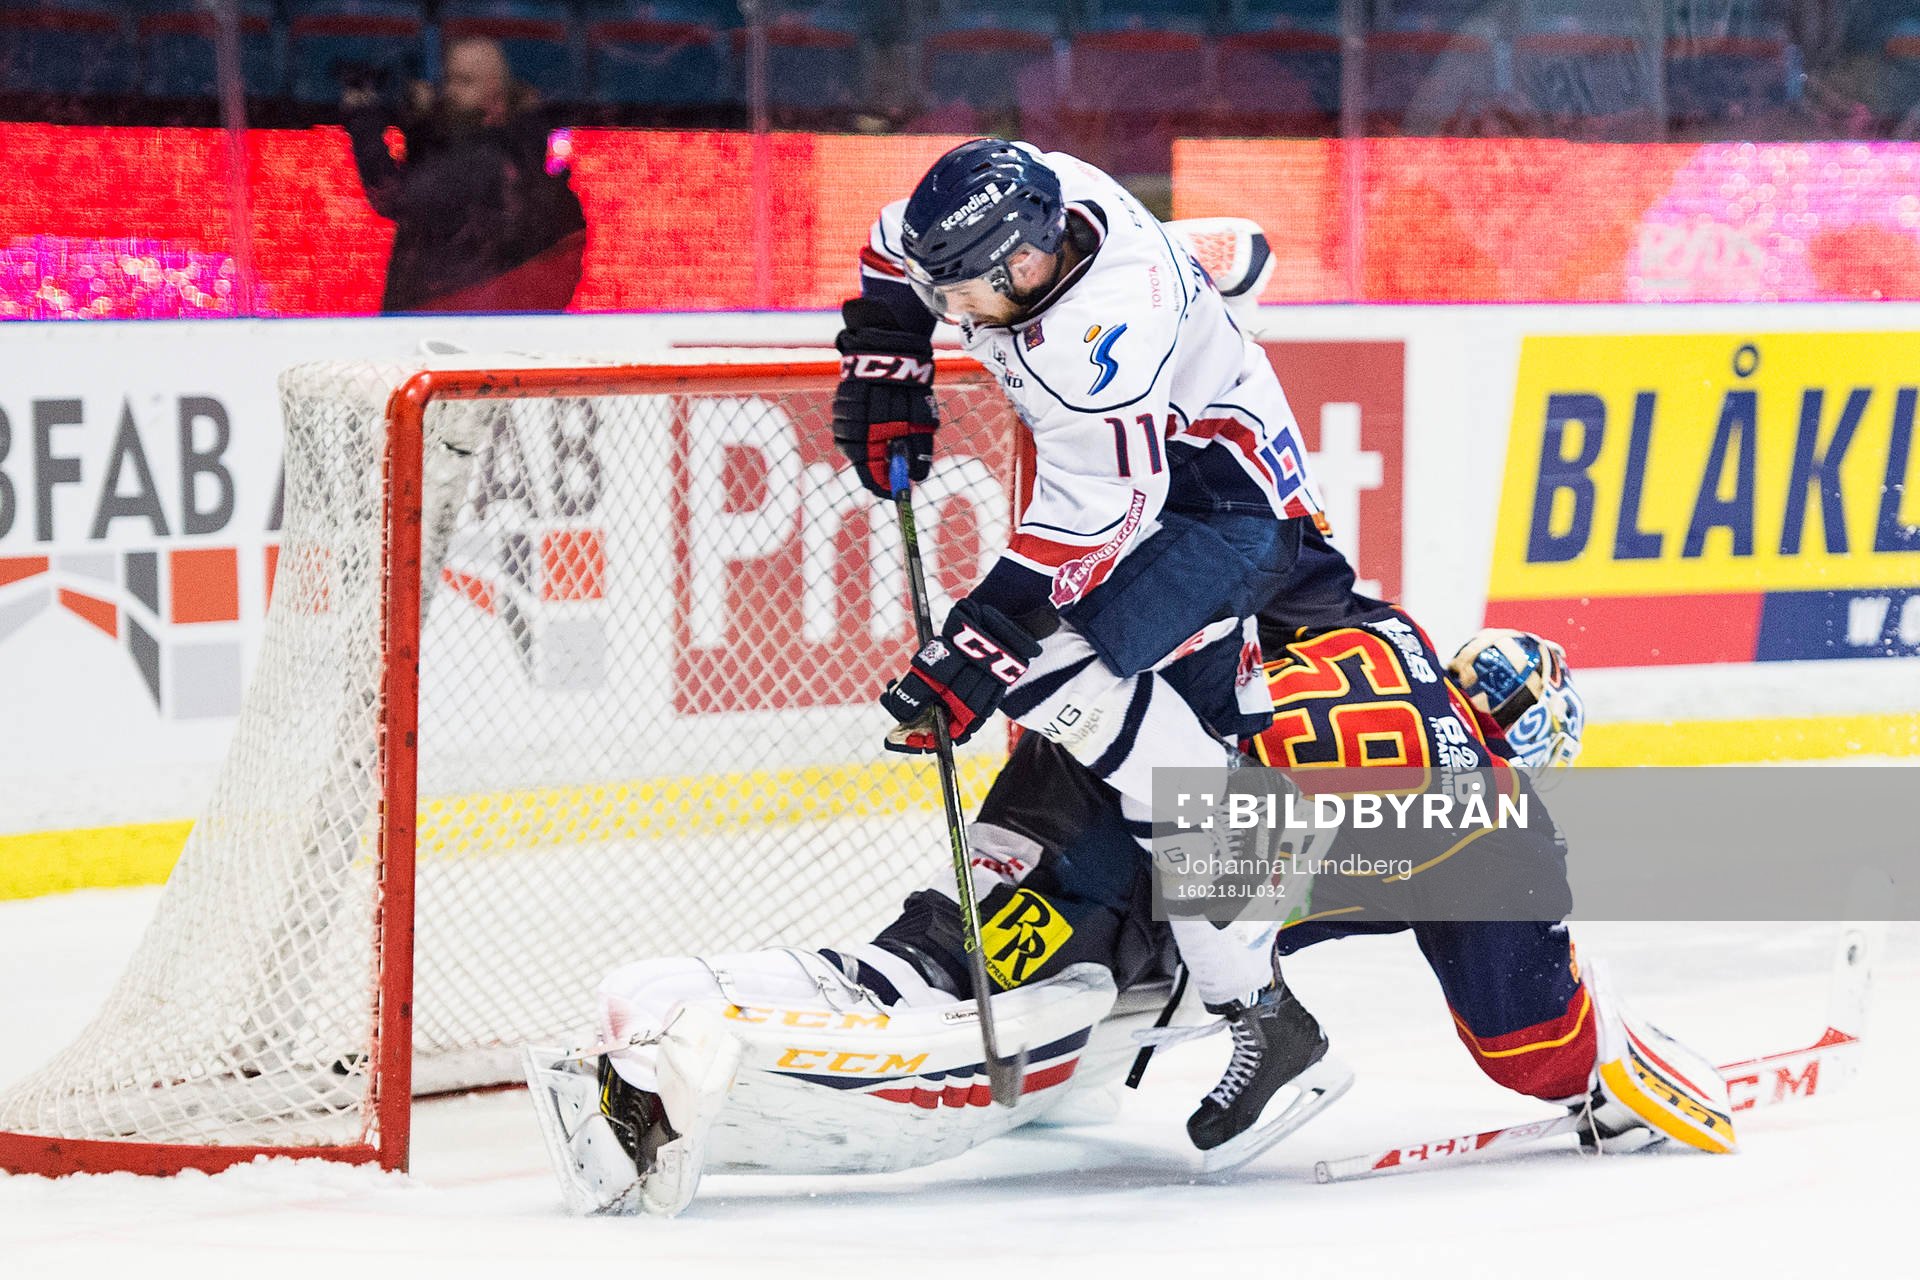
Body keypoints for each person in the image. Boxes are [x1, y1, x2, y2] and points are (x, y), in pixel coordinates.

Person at [524, 621, 1735, 1217]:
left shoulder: (1373, 633)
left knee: (929, 956)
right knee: (982, 1030)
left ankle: (692, 988)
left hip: (1089, 753)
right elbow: (1525, 1037)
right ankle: (674, 1083)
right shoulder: (1498, 818)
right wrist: (1602, 1076)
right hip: (1173, 874)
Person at [827, 139, 1382, 1149]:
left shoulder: (1099, 337)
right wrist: (888, 360)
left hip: (1228, 511)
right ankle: (1232, 884)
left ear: (1032, 260)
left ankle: (1252, 971)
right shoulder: (1024, 220)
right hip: (1159, 480)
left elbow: (1089, 526)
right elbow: (886, 256)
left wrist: (974, 652)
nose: (955, 316)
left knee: (1043, 662)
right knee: (1043, 675)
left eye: (969, 298)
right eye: (944, 297)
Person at [343, 36, 585, 314]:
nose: (448, 93)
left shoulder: (484, 159)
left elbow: (392, 194)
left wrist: (364, 118)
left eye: (464, 82)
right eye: (448, 81)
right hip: (461, 318)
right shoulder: (515, 154)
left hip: (445, 320)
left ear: (496, 101)